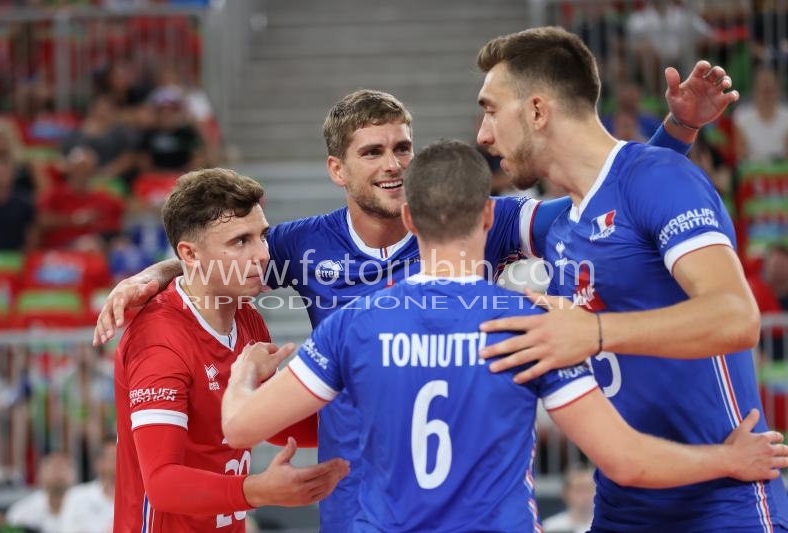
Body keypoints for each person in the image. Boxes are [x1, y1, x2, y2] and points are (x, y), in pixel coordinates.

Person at [94, 64, 739, 531]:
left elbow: (603, 214)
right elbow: (216, 257)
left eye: (403, 146)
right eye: (372, 152)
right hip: (356, 497)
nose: (393, 163)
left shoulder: (465, 219)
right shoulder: (295, 244)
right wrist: (154, 277)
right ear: (337, 171)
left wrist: (672, 140)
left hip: (461, 489)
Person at [219, 140, 788, 532]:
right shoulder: (530, 325)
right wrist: (726, 459)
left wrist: (244, 373)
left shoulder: (355, 323)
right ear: (490, 219)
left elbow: (241, 427)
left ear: (410, 220)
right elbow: (627, 463)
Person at [475, 27, 788, 530]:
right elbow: (442, 217)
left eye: (490, 110)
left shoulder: (660, 178)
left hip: (724, 504)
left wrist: (594, 332)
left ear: (537, 111)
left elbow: (737, 317)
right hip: (624, 505)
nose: (483, 135)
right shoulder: (560, 220)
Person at [113, 168, 348, 532]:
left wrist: (368, 424)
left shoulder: (247, 317)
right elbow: (161, 484)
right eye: (241, 242)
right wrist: (258, 490)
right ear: (190, 254)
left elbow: (273, 424)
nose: (262, 254)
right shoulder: (159, 339)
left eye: (263, 236)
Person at [5, 451, 76, 533]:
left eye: (64, 468)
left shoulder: (87, 507)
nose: (59, 473)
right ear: (41, 474)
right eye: (54, 468)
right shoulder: (22, 511)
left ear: (74, 475)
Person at [60, 439, 116, 533]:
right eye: (113, 457)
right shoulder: (77, 496)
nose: (120, 462)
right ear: (99, 463)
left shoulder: (139, 500)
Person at [541, 465, 596, 533]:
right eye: (579, 490)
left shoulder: (607, 525)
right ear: (565, 493)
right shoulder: (550, 527)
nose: (585, 496)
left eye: (589, 489)